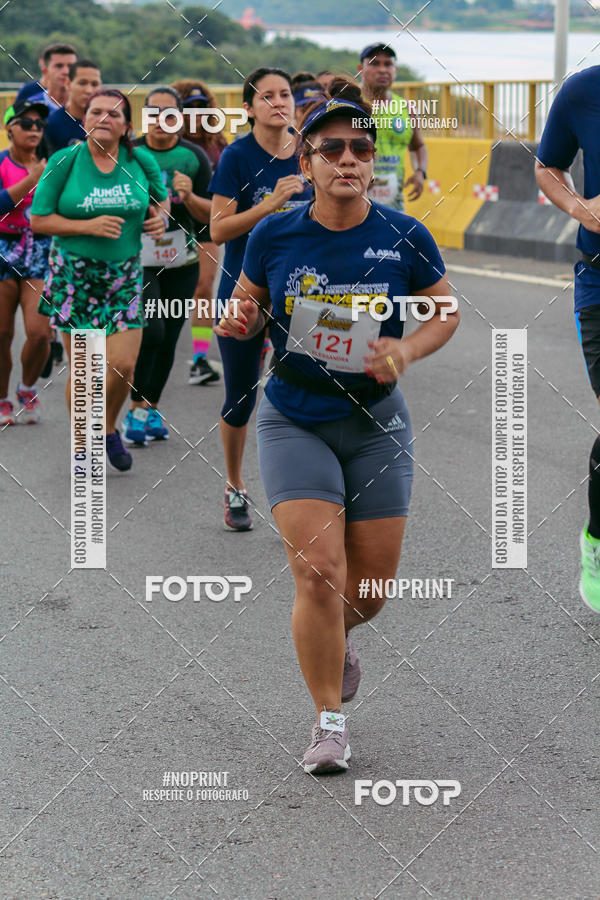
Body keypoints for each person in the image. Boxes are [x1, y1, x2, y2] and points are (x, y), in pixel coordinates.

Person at [215, 85, 459, 773]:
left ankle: (335, 633)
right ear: (308, 161)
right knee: (319, 572)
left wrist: (408, 349)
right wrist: (239, 320)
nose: (348, 159)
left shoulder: (404, 234)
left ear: (371, 161)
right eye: (332, 149)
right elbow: (246, 309)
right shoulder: (275, 233)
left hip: (376, 422)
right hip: (295, 416)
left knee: (369, 592)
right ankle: (329, 722)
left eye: (361, 148)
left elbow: (445, 311)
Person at [30, 88, 169, 471]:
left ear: (126, 126)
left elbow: (161, 200)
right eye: (95, 112)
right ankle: (84, 447)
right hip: (74, 277)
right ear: (84, 119)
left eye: (113, 113)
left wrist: (160, 219)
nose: (103, 118)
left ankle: (107, 427)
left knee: (123, 365)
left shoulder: (140, 160)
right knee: (85, 372)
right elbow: (39, 220)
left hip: (124, 276)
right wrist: (87, 225)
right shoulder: (64, 160)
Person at [209, 66, 312, 531]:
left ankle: (302, 495)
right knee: (241, 395)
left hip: (302, 294)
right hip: (244, 290)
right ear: (249, 107)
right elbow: (218, 230)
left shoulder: (309, 153)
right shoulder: (237, 156)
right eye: (266, 96)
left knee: (303, 390)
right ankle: (235, 484)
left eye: (284, 94)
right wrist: (269, 205)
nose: (279, 102)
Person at [535, 64, 600, 613]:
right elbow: (547, 166)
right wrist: (580, 207)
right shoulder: (584, 90)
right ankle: (597, 542)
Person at [122, 87, 212, 445]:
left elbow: (211, 215)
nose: (161, 119)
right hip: (138, 259)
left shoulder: (194, 157)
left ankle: (151, 408)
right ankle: (135, 408)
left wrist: (189, 196)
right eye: (154, 112)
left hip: (181, 259)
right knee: (152, 331)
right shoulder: (130, 153)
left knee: (170, 338)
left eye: (169, 112)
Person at [171, 78, 226, 385]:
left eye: (201, 107)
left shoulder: (218, 143)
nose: (196, 114)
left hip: (206, 220)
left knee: (204, 287)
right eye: (189, 108)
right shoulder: (164, 140)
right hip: (171, 222)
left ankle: (200, 358)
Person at [0, 101, 51, 425]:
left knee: (40, 332)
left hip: (39, 251)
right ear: (9, 129)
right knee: (2, 333)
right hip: (2, 249)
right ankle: (2, 399)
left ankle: (27, 388)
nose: (34, 129)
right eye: (26, 123)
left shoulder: (51, 165)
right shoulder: (2, 163)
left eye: (39, 125)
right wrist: (31, 179)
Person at [358, 43, 427, 211]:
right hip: (354, 203)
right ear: (361, 69)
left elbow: (418, 146)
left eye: (388, 64)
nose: (382, 70)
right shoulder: (350, 104)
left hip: (394, 205)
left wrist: (420, 172)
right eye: (375, 63)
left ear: (395, 70)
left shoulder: (406, 108)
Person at [44, 60, 102, 155]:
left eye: (94, 84)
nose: (89, 90)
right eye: (82, 83)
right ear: (68, 84)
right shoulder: (52, 125)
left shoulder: (106, 123)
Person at [16, 42, 78, 112]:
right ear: (45, 71)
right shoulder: (31, 103)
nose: (66, 71)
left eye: (71, 66)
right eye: (59, 66)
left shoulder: (85, 105)